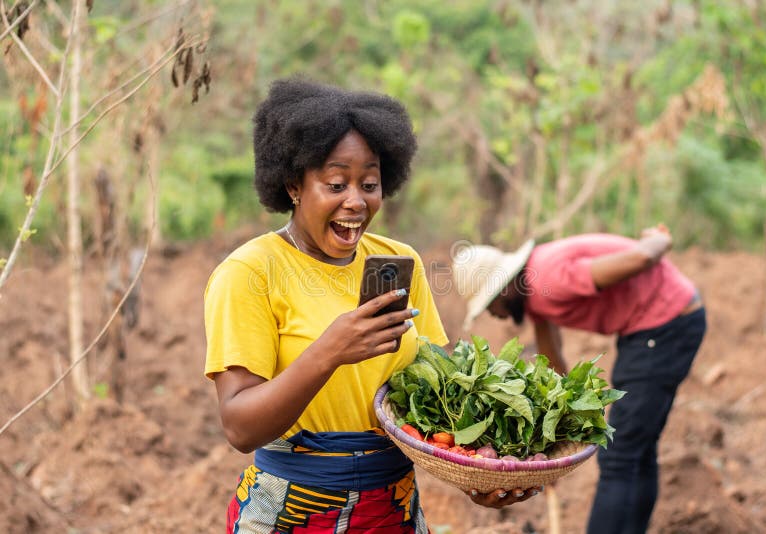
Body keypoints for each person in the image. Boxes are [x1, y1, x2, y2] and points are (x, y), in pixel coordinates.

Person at [204, 78, 535, 534]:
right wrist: (331, 350)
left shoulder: (400, 264)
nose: (356, 201)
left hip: (392, 512)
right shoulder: (250, 272)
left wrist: (475, 472)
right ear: (293, 184)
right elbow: (239, 427)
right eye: (336, 183)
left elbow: (437, 397)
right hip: (291, 515)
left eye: (370, 183)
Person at [452, 225, 706, 534]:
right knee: (637, 450)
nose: (495, 316)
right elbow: (554, 364)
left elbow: (640, 258)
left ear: (504, 288)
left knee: (620, 456)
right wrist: (552, 441)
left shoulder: (550, 279)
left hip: (665, 324)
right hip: (655, 326)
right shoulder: (535, 292)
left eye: (490, 305)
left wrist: (660, 241)